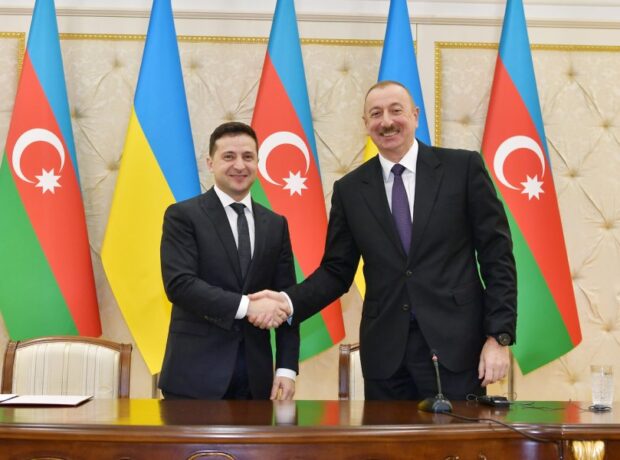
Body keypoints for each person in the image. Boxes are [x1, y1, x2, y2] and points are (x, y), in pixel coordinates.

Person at [251, 81, 517, 400]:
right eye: (376, 114)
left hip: (457, 349)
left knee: (457, 435)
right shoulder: (350, 190)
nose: (387, 121)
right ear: (366, 124)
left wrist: (498, 338)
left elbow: (497, 257)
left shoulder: (463, 169)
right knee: (386, 435)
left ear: (415, 115)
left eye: (396, 110)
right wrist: (287, 302)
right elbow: (336, 271)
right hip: (387, 358)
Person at [159, 121, 298, 400]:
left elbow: (286, 299)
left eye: (248, 157)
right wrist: (247, 306)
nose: (239, 165)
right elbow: (180, 285)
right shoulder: (183, 216)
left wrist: (286, 368)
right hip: (194, 378)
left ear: (257, 162)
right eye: (229, 156)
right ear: (210, 163)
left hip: (257, 381)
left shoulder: (275, 224)